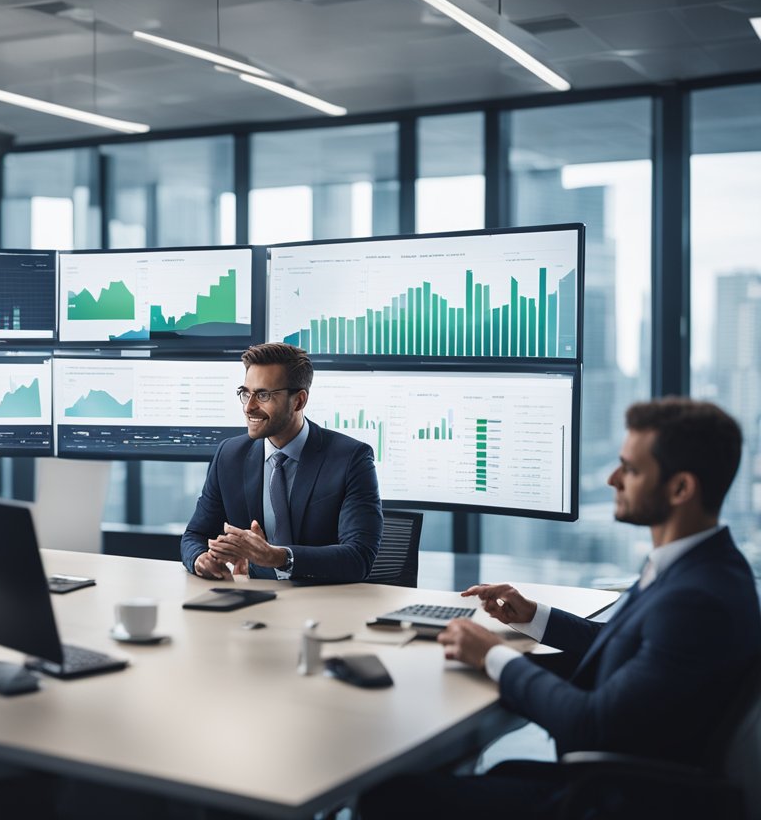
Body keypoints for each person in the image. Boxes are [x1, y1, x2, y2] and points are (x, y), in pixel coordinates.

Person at [360, 397, 761, 819]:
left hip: (614, 802)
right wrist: (533, 615)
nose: (612, 479)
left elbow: (591, 726)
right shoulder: (702, 565)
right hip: (616, 780)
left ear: (680, 488)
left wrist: (494, 657)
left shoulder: (698, 600)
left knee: (391, 798)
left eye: (630, 469)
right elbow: (624, 647)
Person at [180, 342, 382, 583]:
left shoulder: (351, 459)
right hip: (255, 597)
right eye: (245, 393)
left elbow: (358, 557)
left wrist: (278, 557)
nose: (249, 407)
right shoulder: (230, 455)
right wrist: (200, 559)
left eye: (263, 395)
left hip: (324, 598)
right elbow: (195, 535)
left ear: (298, 401)